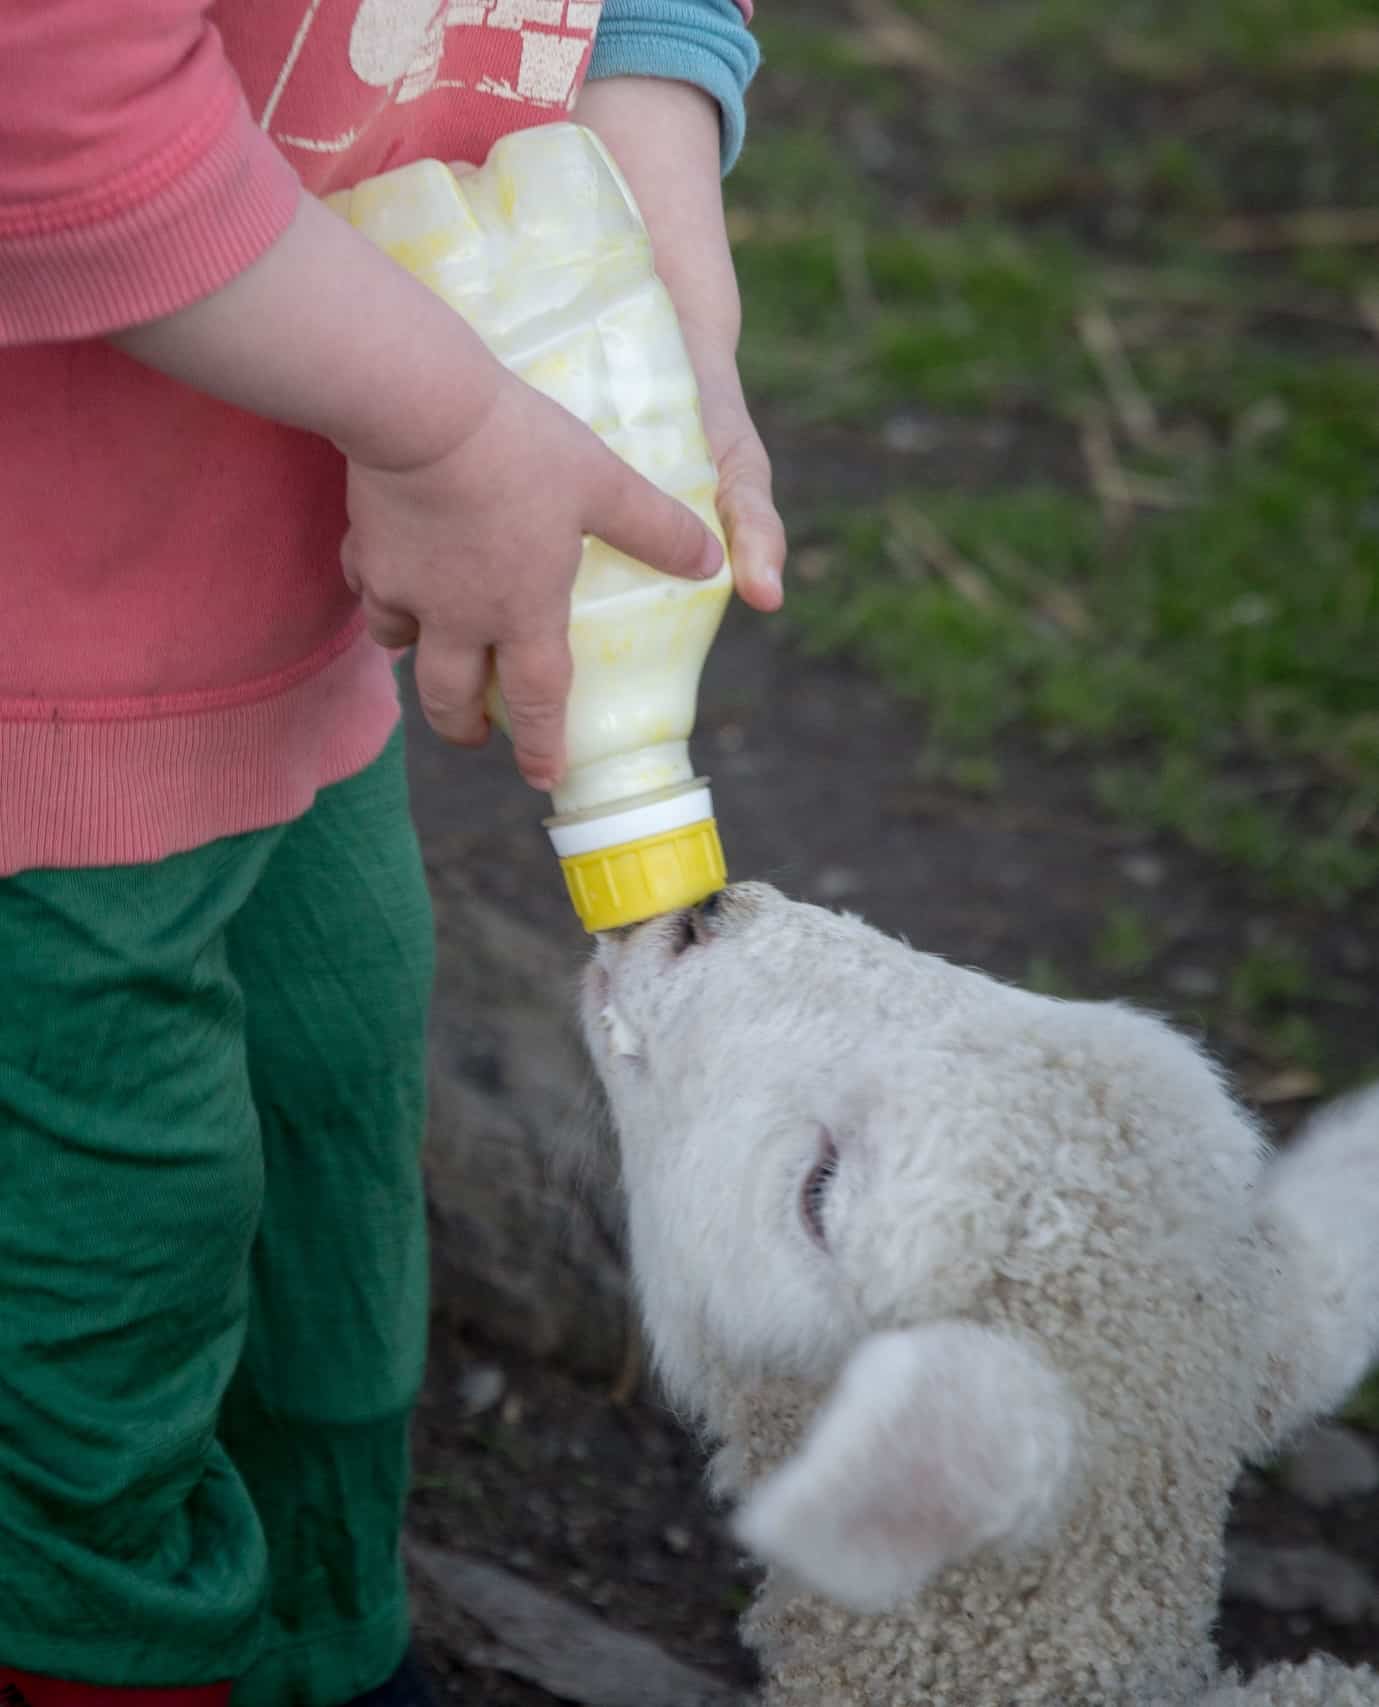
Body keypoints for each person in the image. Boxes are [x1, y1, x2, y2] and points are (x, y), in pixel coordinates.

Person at [0, 0, 787, 1702]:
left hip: (291, 624)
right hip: (37, 668)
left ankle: (321, 1633)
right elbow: (53, 97)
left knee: (336, 1129)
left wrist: (669, 314)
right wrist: (451, 429)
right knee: (103, 1230)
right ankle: (102, 1655)